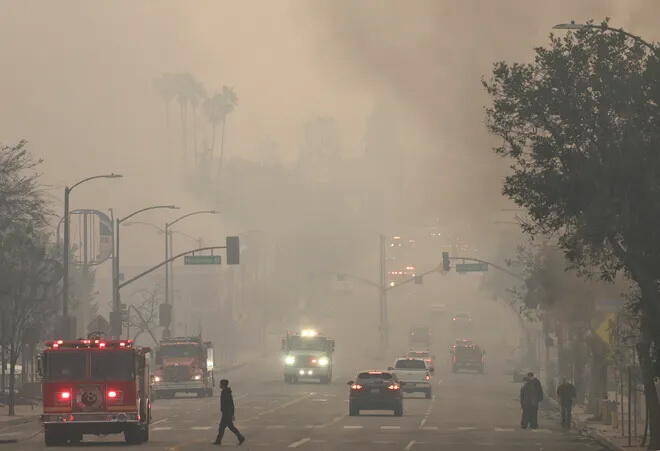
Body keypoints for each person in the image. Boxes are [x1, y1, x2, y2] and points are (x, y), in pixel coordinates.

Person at [213, 379, 245, 446]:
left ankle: (240, 437)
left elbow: (230, 404)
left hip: (227, 413)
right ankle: (218, 440)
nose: (219, 385)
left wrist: (231, 414)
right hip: (226, 413)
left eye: (220, 384)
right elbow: (231, 404)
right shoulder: (226, 391)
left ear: (223, 385)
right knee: (225, 427)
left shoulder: (226, 392)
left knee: (227, 427)